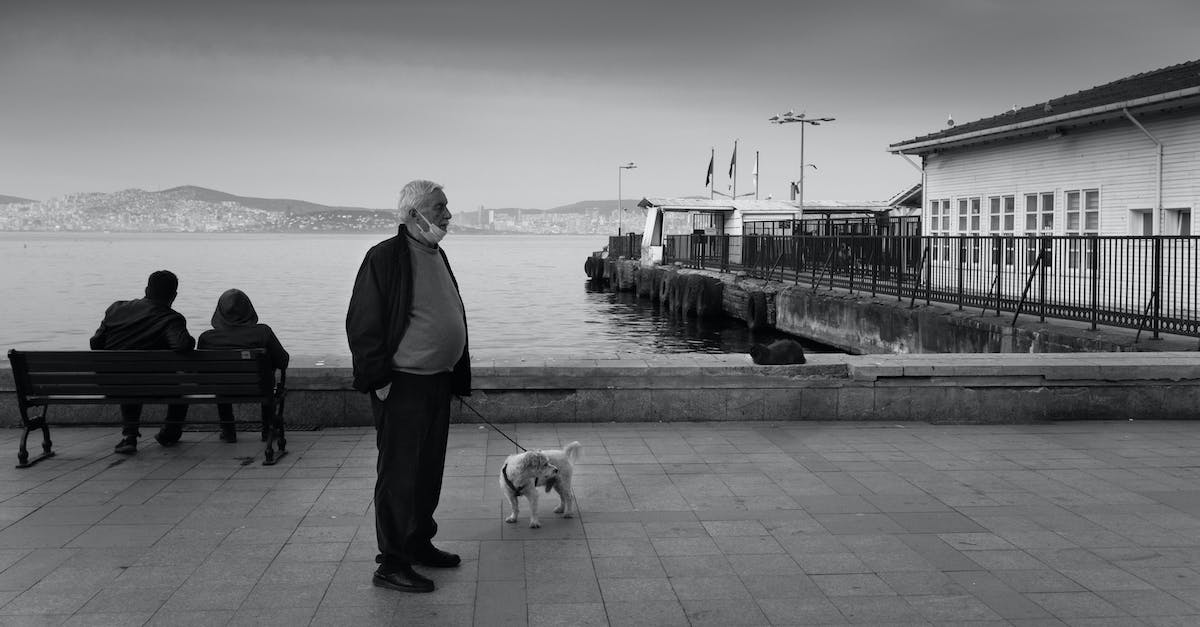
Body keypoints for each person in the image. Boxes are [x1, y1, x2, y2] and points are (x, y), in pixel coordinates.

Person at [346, 179, 471, 594]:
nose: (448, 215)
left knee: (428, 469)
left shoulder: (435, 252)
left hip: (436, 381)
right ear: (415, 214)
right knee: (399, 474)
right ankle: (392, 563)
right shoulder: (385, 257)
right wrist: (378, 379)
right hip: (401, 385)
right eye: (440, 208)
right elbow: (363, 323)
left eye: (446, 207)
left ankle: (419, 541)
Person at [90, 269, 195, 454]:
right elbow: (181, 345)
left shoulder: (116, 309)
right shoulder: (170, 318)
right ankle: (169, 433)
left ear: (147, 289)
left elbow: (96, 343)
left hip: (109, 384)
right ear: (174, 295)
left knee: (129, 376)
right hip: (152, 385)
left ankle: (129, 436)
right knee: (181, 386)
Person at [196, 289, 289, 443]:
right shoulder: (263, 332)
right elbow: (283, 360)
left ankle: (228, 431)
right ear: (249, 309)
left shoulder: (207, 338)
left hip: (220, 388)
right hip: (258, 387)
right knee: (265, 383)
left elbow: (201, 371)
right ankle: (267, 430)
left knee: (221, 383)